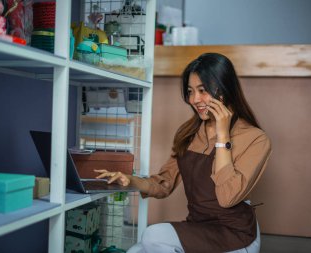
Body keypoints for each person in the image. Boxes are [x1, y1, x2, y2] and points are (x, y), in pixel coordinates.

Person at [95, 53, 272, 253]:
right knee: (135, 251)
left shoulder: (255, 138)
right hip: (199, 228)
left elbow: (227, 197)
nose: (194, 99)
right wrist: (129, 180)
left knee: (152, 236)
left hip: (235, 234)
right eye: (190, 91)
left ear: (224, 89)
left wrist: (223, 137)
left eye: (203, 90)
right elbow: (164, 183)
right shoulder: (188, 133)